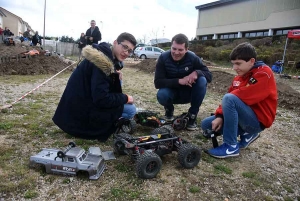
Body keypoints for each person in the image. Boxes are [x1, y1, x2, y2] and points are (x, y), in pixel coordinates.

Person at [52, 32, 137, 142]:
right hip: (79, 114)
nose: (126, 52)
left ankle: (113, 117)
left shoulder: (103, 55)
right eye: (125, 47)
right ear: (115, 43)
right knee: (131, 110)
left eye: (130, 50)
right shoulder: (102, 64)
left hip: (75, 107)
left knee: (118, 82)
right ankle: (110, 123)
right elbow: (101, 99)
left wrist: (114, 75)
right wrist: (125, 98)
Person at [201, 42, 278, 158]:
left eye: (238, 64)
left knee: (230, 98)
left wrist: (225, 111)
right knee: (206, 124)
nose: (234, 68)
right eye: (233, 64)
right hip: (243, 117)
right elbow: (231, 96)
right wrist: (220, 117)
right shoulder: (239, 76)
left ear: (252, 61)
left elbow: (239, 97)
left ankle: (231, 146)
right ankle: (247, 135)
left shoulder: (264, 73)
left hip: (257, 121)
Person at [154, 33, 212, 131]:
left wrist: (197, 73)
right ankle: (169, 110)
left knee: (202, 79)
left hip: (189, 93)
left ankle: (192, 115)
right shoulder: (163, 58)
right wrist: (179, 81)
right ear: (171, 47)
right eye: (174, 48)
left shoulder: (193, 58)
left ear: (186, 49)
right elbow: (158, 83)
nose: (176, 52)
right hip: (171, 93)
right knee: (162, 94)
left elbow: (209, 76)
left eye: (180, 50)